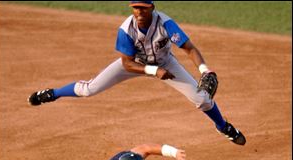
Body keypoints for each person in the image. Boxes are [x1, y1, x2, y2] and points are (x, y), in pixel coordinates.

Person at [28, 1, 246, 146]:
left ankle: (222, 126)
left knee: (202, 98)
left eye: (143, 8)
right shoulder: (126, 29)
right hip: (135, 64)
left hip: (166, 63)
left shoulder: (166, 23)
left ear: (152, 7)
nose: (139, 12)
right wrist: (153, 70)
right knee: (89, 89)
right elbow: (126, 63)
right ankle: (53, 93)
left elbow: (189, 48)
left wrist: (205, 69)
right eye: (135, 8)